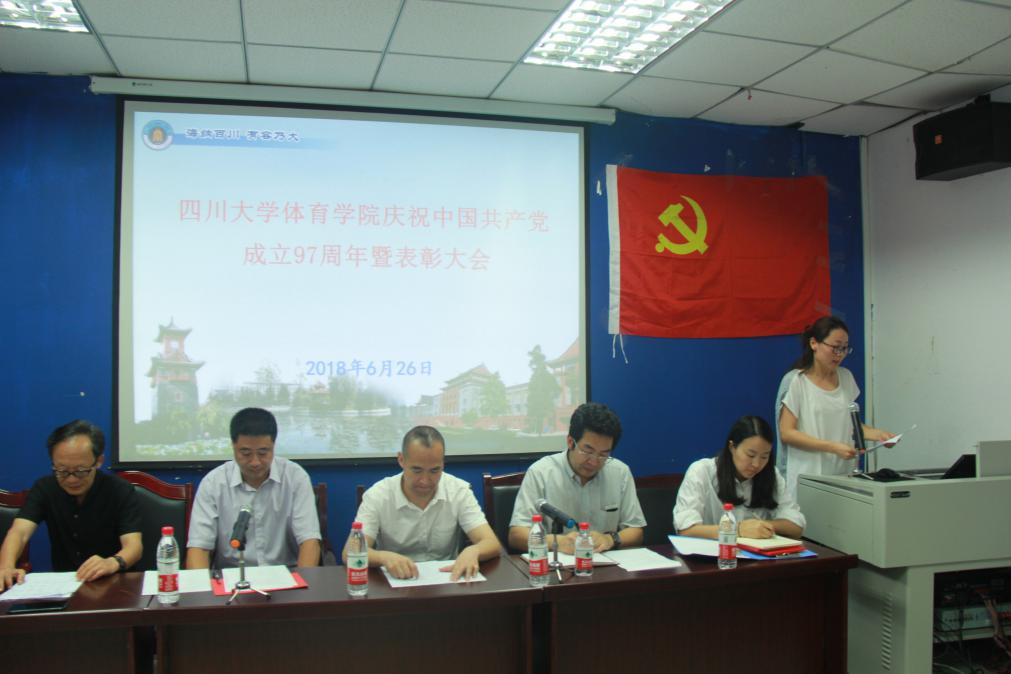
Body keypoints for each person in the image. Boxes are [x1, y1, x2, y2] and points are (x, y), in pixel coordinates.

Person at [0, 420, 143, 590]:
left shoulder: (119, 490)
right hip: (64, 586)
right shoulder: (45, 488)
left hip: (115, 583)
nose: (72, 479)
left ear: (98, 461)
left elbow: (134, 546)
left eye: (81, 471)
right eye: (62, 470)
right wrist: (6, 567)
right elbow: (19, 532)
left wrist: (112, 562)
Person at [345, 426, 501, 581]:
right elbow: (350, 552)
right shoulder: (378, 495)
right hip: (394, 582)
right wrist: (383, 557)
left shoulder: (458, 490)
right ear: (401, 460)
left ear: (443, 464)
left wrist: (474, 551)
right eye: (417, 470)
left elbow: (491, 542)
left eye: (434, 470)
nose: (425, 480)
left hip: (446, 580)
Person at [186, 408, 320, 569]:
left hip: (287, 574)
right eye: (246, 453)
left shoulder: (295, 478)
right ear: (233, 446)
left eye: (263, 453)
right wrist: (201, 584)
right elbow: (199, 547)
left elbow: (309, 541)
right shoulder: (213, 483)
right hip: (230, 576)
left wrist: (302, 582)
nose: (255, 462)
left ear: (273, 446)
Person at [777, 316, 894, 498]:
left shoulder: (846, 377)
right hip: (806, 477)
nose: (840, 354)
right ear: (814, 343)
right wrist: (832, 447)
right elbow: (787, 433)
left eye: (845, 348)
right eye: (835, 347)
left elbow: (851, 426)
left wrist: (880, 435)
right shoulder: (796, 381)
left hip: (842, 475)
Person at [509, 402, 645, 554]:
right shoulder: (541, 472)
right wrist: (558, 542)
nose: (594, 462)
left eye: (603, 454)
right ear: (570, 442)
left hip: (605, 562)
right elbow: (516, 535)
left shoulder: (620, 472)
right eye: (588, 451)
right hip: (557, 563)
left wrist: (609, 539)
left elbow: (636, 531)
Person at [674, 416, 805, 539]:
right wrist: (738, 529)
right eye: (750, 455)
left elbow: (796, 526)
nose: (757, 464)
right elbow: (686, 530)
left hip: (758, 554)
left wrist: (759, 527)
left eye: (764, 456)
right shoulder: (701, 472)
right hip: (714, 553)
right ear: (732, 447)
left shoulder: (772, 475)